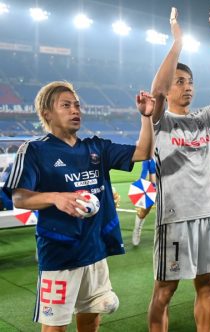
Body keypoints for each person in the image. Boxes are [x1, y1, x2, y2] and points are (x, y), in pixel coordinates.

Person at [2, 81, 154, 331]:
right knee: (55, 326)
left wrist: (146, 117)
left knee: (92, 316)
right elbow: (18, 198)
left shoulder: (96, 148)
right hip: (60, 255)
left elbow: (144, 151)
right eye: (66, 105)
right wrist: (55, 197)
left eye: (77, 105)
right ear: (47, 113)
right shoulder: (34, 150)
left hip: (95, 251)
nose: (75, 110)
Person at [147, 8, 210, 332]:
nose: (187, 87)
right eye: (180, 81)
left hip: (208, 213)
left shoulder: (205, 118)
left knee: (207, 286)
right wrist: (177, 43)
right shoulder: (160, 121)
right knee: (165, 290)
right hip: (174, 217)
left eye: (190, 81)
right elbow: (157, 91)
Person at [132, 158, 157, 246]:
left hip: (167, 187)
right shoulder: (150, 156)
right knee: (143, 212)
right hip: (152, 188)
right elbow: (144, 171)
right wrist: (141, 183)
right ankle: (137, 230)